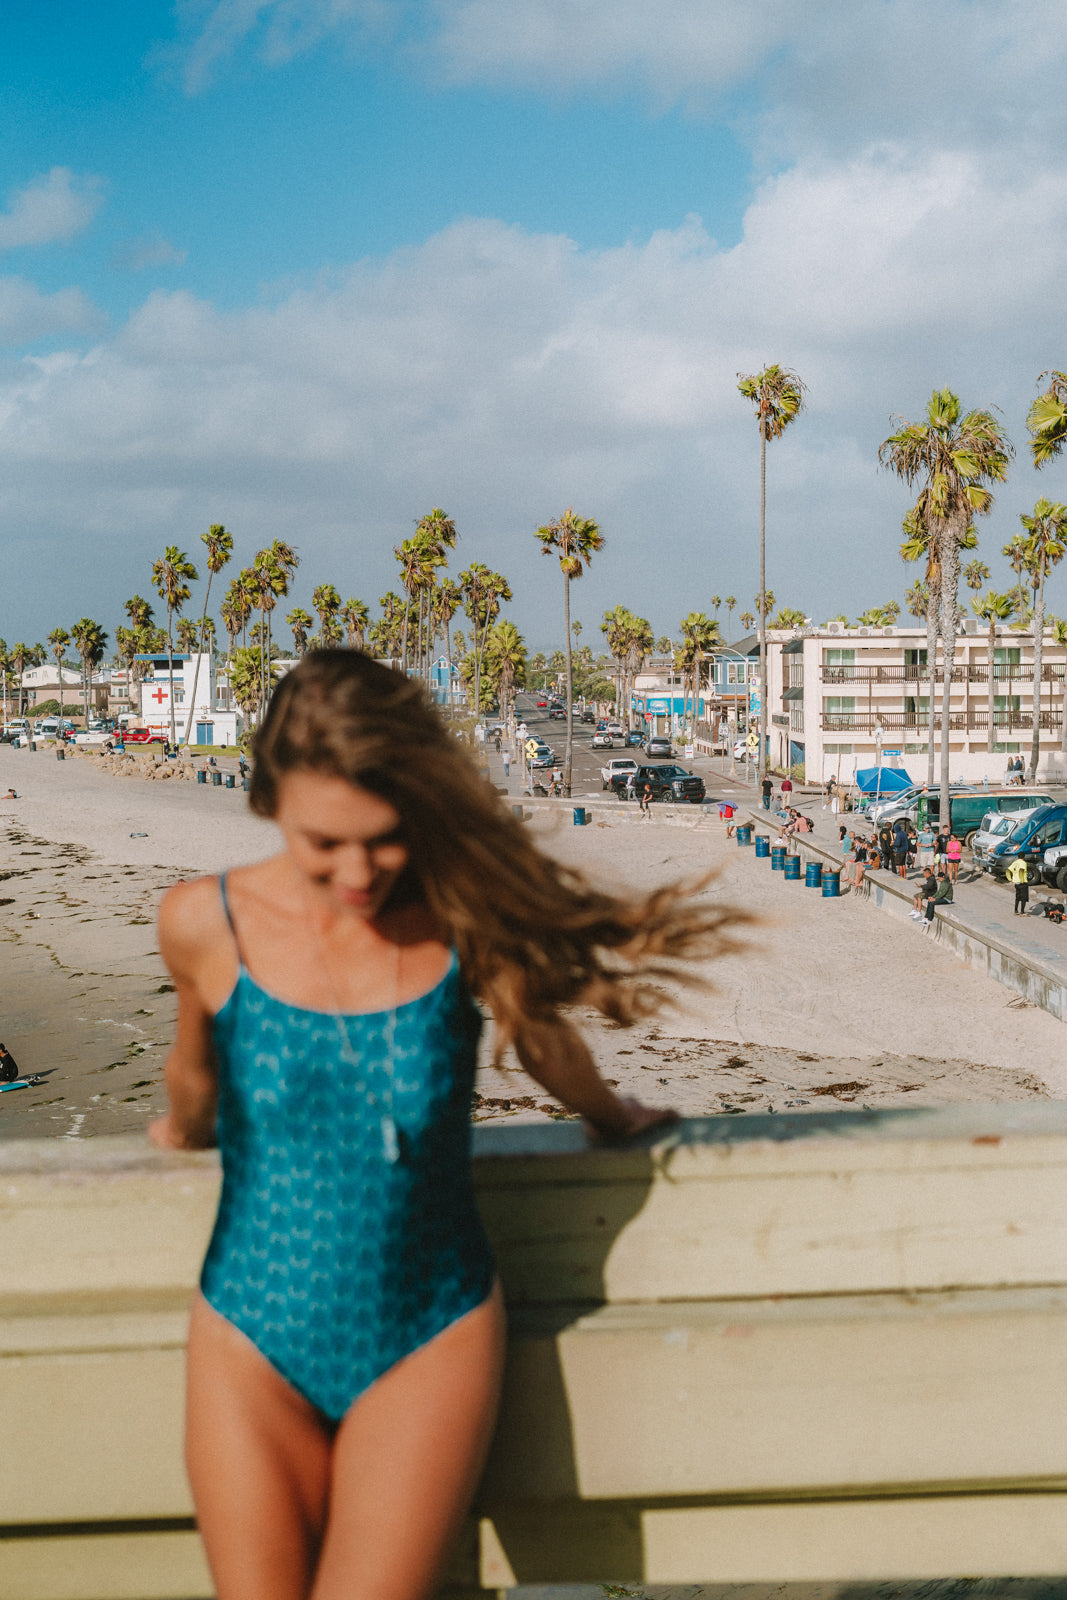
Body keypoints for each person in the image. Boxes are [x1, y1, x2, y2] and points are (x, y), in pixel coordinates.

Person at [147, 651, 744, 1600]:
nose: (357, 872)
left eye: (383, 840)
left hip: (428, 1335)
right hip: (247, 1333)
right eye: (323, 843)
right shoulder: (201, 922)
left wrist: (608, 1113)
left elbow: (548, 1050)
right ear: (268, 800)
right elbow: (194, 1079)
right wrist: (179, 1131)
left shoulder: (462, 923)